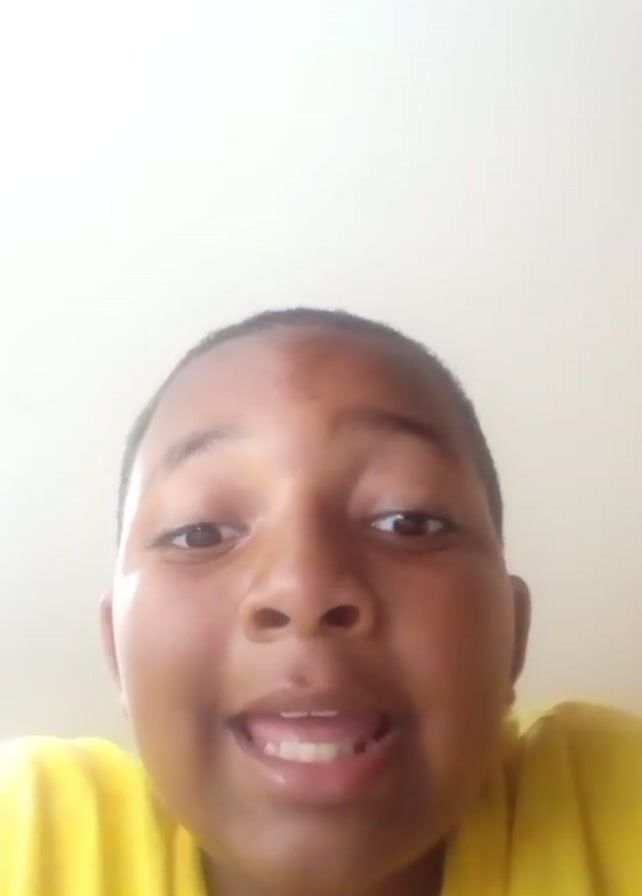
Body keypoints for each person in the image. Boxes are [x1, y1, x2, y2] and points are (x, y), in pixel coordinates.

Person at [1, 307, 640, 896]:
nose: (303, 589)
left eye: (407, 522)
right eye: (200, 533)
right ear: (116, 649)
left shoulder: (615, 803)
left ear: (514, 637)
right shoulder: (26, 836)